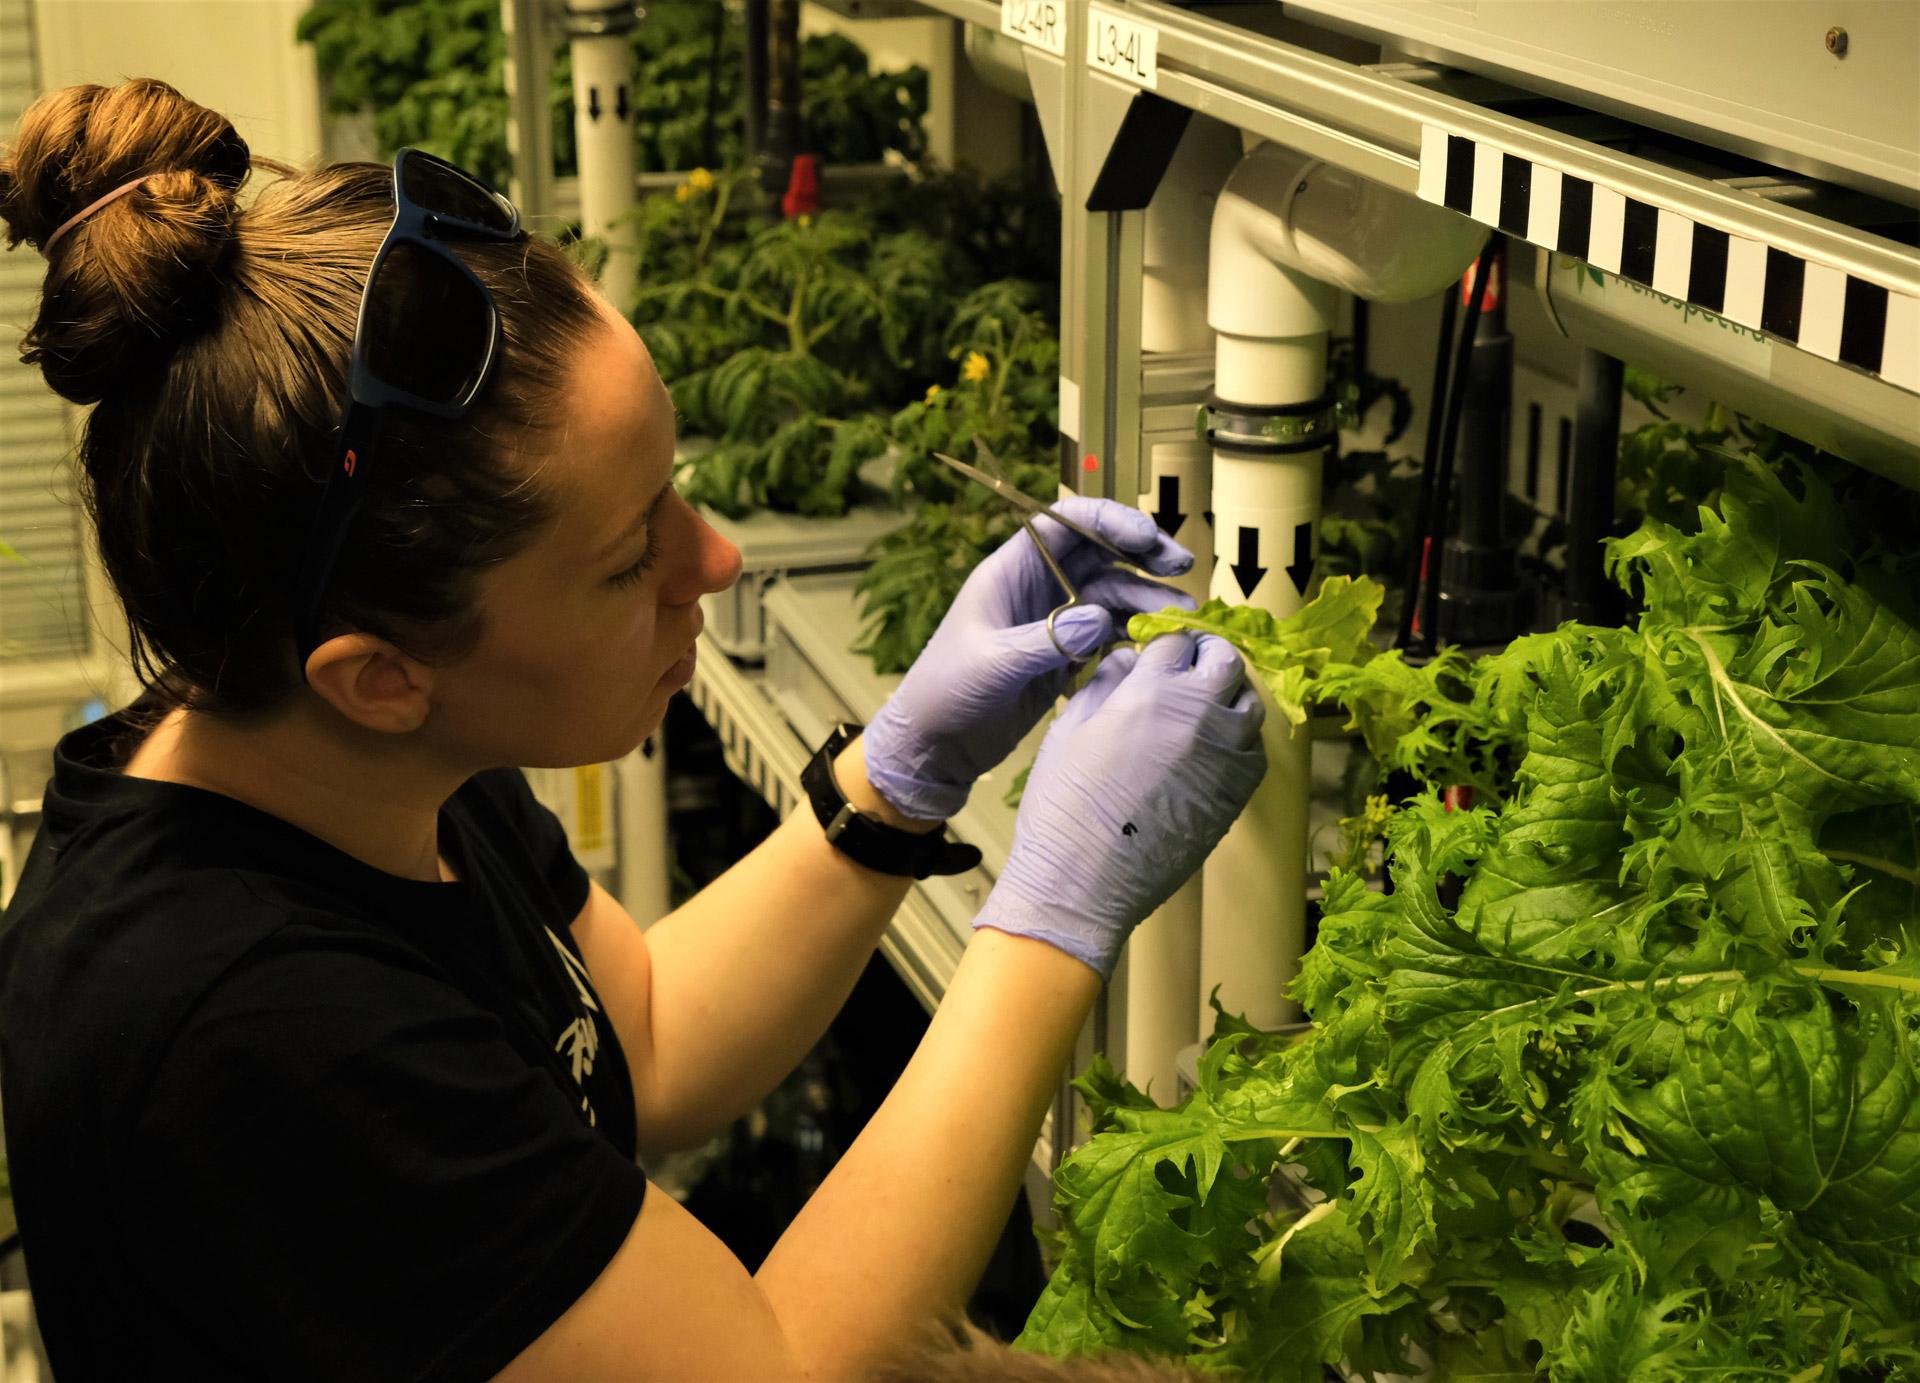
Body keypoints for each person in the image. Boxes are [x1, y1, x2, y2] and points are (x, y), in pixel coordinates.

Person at [0, 78, 1264, 1381]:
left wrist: (898, 782)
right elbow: (774, 1372)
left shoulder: (344, 760)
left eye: (675, 490)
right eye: (625, 560)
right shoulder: (250, 1040)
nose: (713, 562)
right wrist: (1055, 914)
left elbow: (639, 1037)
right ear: (377, 676)